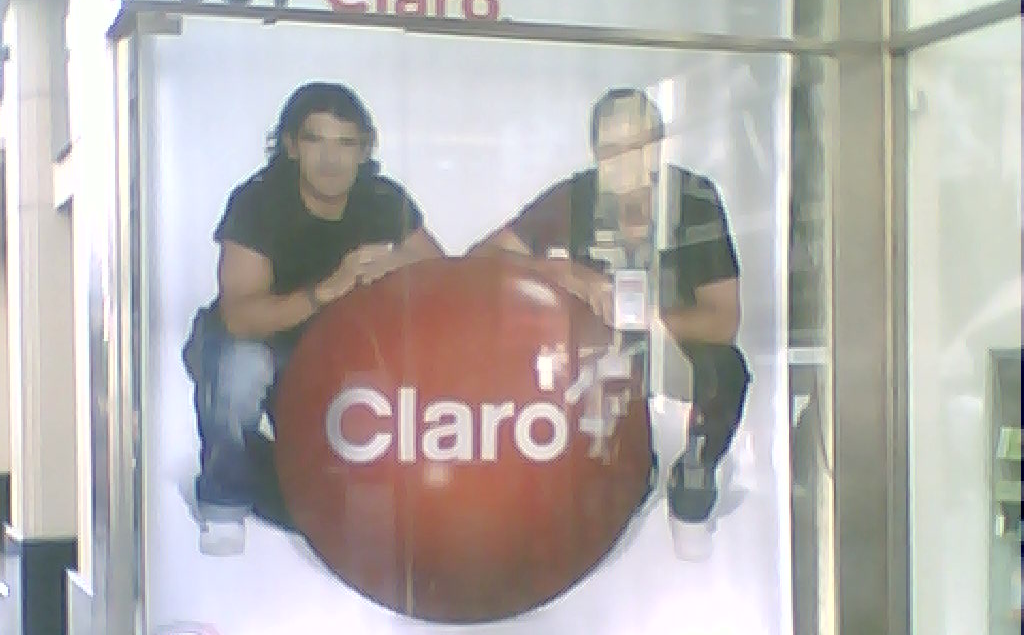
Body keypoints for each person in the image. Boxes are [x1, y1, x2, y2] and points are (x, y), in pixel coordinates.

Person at [473, 86, 749, 544]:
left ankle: (695, 471)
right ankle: (622, 469)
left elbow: (723, 321)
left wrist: (645, 319)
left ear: (660, 145)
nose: (626, 160)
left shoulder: (695, 198)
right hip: (596, 362)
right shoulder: (575, 198)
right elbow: (482, 259)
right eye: (612, 148)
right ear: (595, 152)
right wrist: (561, 271)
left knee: (726, 371)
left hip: (669, 346)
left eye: (639, 144)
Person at [183, 81, 440, 551]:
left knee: (326, 498)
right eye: (316, 140)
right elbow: (239, 317)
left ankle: (287, 479)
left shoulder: (382, 199)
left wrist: (397, 264)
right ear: (291, 146)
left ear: (364, 150)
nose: (331, 158)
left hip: (329, 352)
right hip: (255, 340)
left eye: (346, 143)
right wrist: (327, 290)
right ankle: (223, 504)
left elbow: (444, 275)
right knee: (241, 368)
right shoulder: (258, 202)